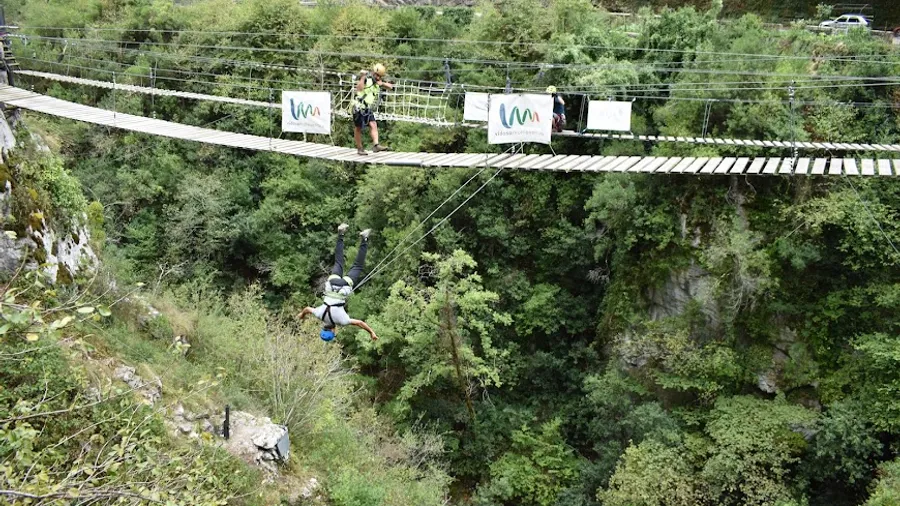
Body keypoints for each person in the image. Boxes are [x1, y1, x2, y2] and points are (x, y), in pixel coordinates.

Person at [298, 223, 378, 341]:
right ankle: (341, 233)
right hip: (331, 284)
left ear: (332, 330)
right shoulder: (319, 314)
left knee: (357, 266)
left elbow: (359, 323)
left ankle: (365, 238)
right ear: (324, 328)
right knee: (338, 261)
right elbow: (307, 309)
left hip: (344, 287)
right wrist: (302, 315)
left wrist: (371, 332)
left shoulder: (342, 321)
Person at [353, 63, 394, 156]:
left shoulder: (377, 83)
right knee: (358, 128)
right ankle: (359, 148)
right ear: (373, 73)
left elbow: (390, 87)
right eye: (377, 75)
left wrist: (382, 83)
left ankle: (376, 145)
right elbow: (359, 89)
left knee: (373, 124)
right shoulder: (367, 79)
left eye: (380, 76)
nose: (378, 78)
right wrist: (363, 77)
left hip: (367, 108)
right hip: (359, 106)